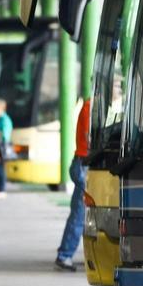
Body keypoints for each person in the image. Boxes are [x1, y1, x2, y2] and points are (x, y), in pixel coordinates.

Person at [54, 98, 91, 271]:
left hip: (83, 164)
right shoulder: (91, 107)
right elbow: (89, 137)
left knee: (81, 213)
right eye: (117, 87)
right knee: (79, 213)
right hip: (84, 165)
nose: (119, 91)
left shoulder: (91, 106)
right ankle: (65, 255)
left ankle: (67, 253)